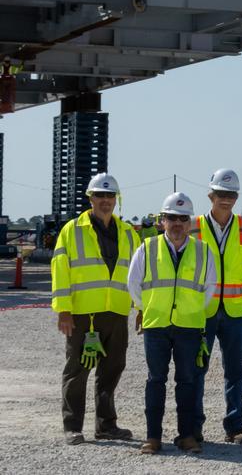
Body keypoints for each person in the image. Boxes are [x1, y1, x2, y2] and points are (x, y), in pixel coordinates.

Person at [51, 173, 139, 446]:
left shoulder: (128, 233)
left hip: (117, 311)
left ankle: (106, 425)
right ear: (90, 198)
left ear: (117, 199)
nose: (105, 200)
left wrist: (140, 307)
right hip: (82, 315)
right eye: (100, 195)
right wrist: (63, 310)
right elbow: (60, 270)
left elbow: (139, 274)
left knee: (112, 370)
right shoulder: (72, 230)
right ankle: (72, 426)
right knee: (77, 371)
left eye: (110, 195)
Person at [127, 192, 217, 454]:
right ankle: (153, 438)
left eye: (183, 218)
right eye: (172, 218)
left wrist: (191, 309)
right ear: (162, 220)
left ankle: (186, 436)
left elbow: (209, 286)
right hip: (156, 324)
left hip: (189, 325)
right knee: (156, 380)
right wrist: (147, 308)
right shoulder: (147, 248)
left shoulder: (203, 250)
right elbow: (133, 284)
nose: (177, 223)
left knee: (187, 381)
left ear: (190, 223)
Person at [194, 168, 242, 445]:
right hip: (202, 311)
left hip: (235, 311)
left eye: (231, 194)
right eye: (221, 193)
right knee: (197, 369)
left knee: (236, 372)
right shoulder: (194, 227)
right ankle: (194, 425)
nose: (226, 198)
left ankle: (235, 425)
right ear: (211, 195)